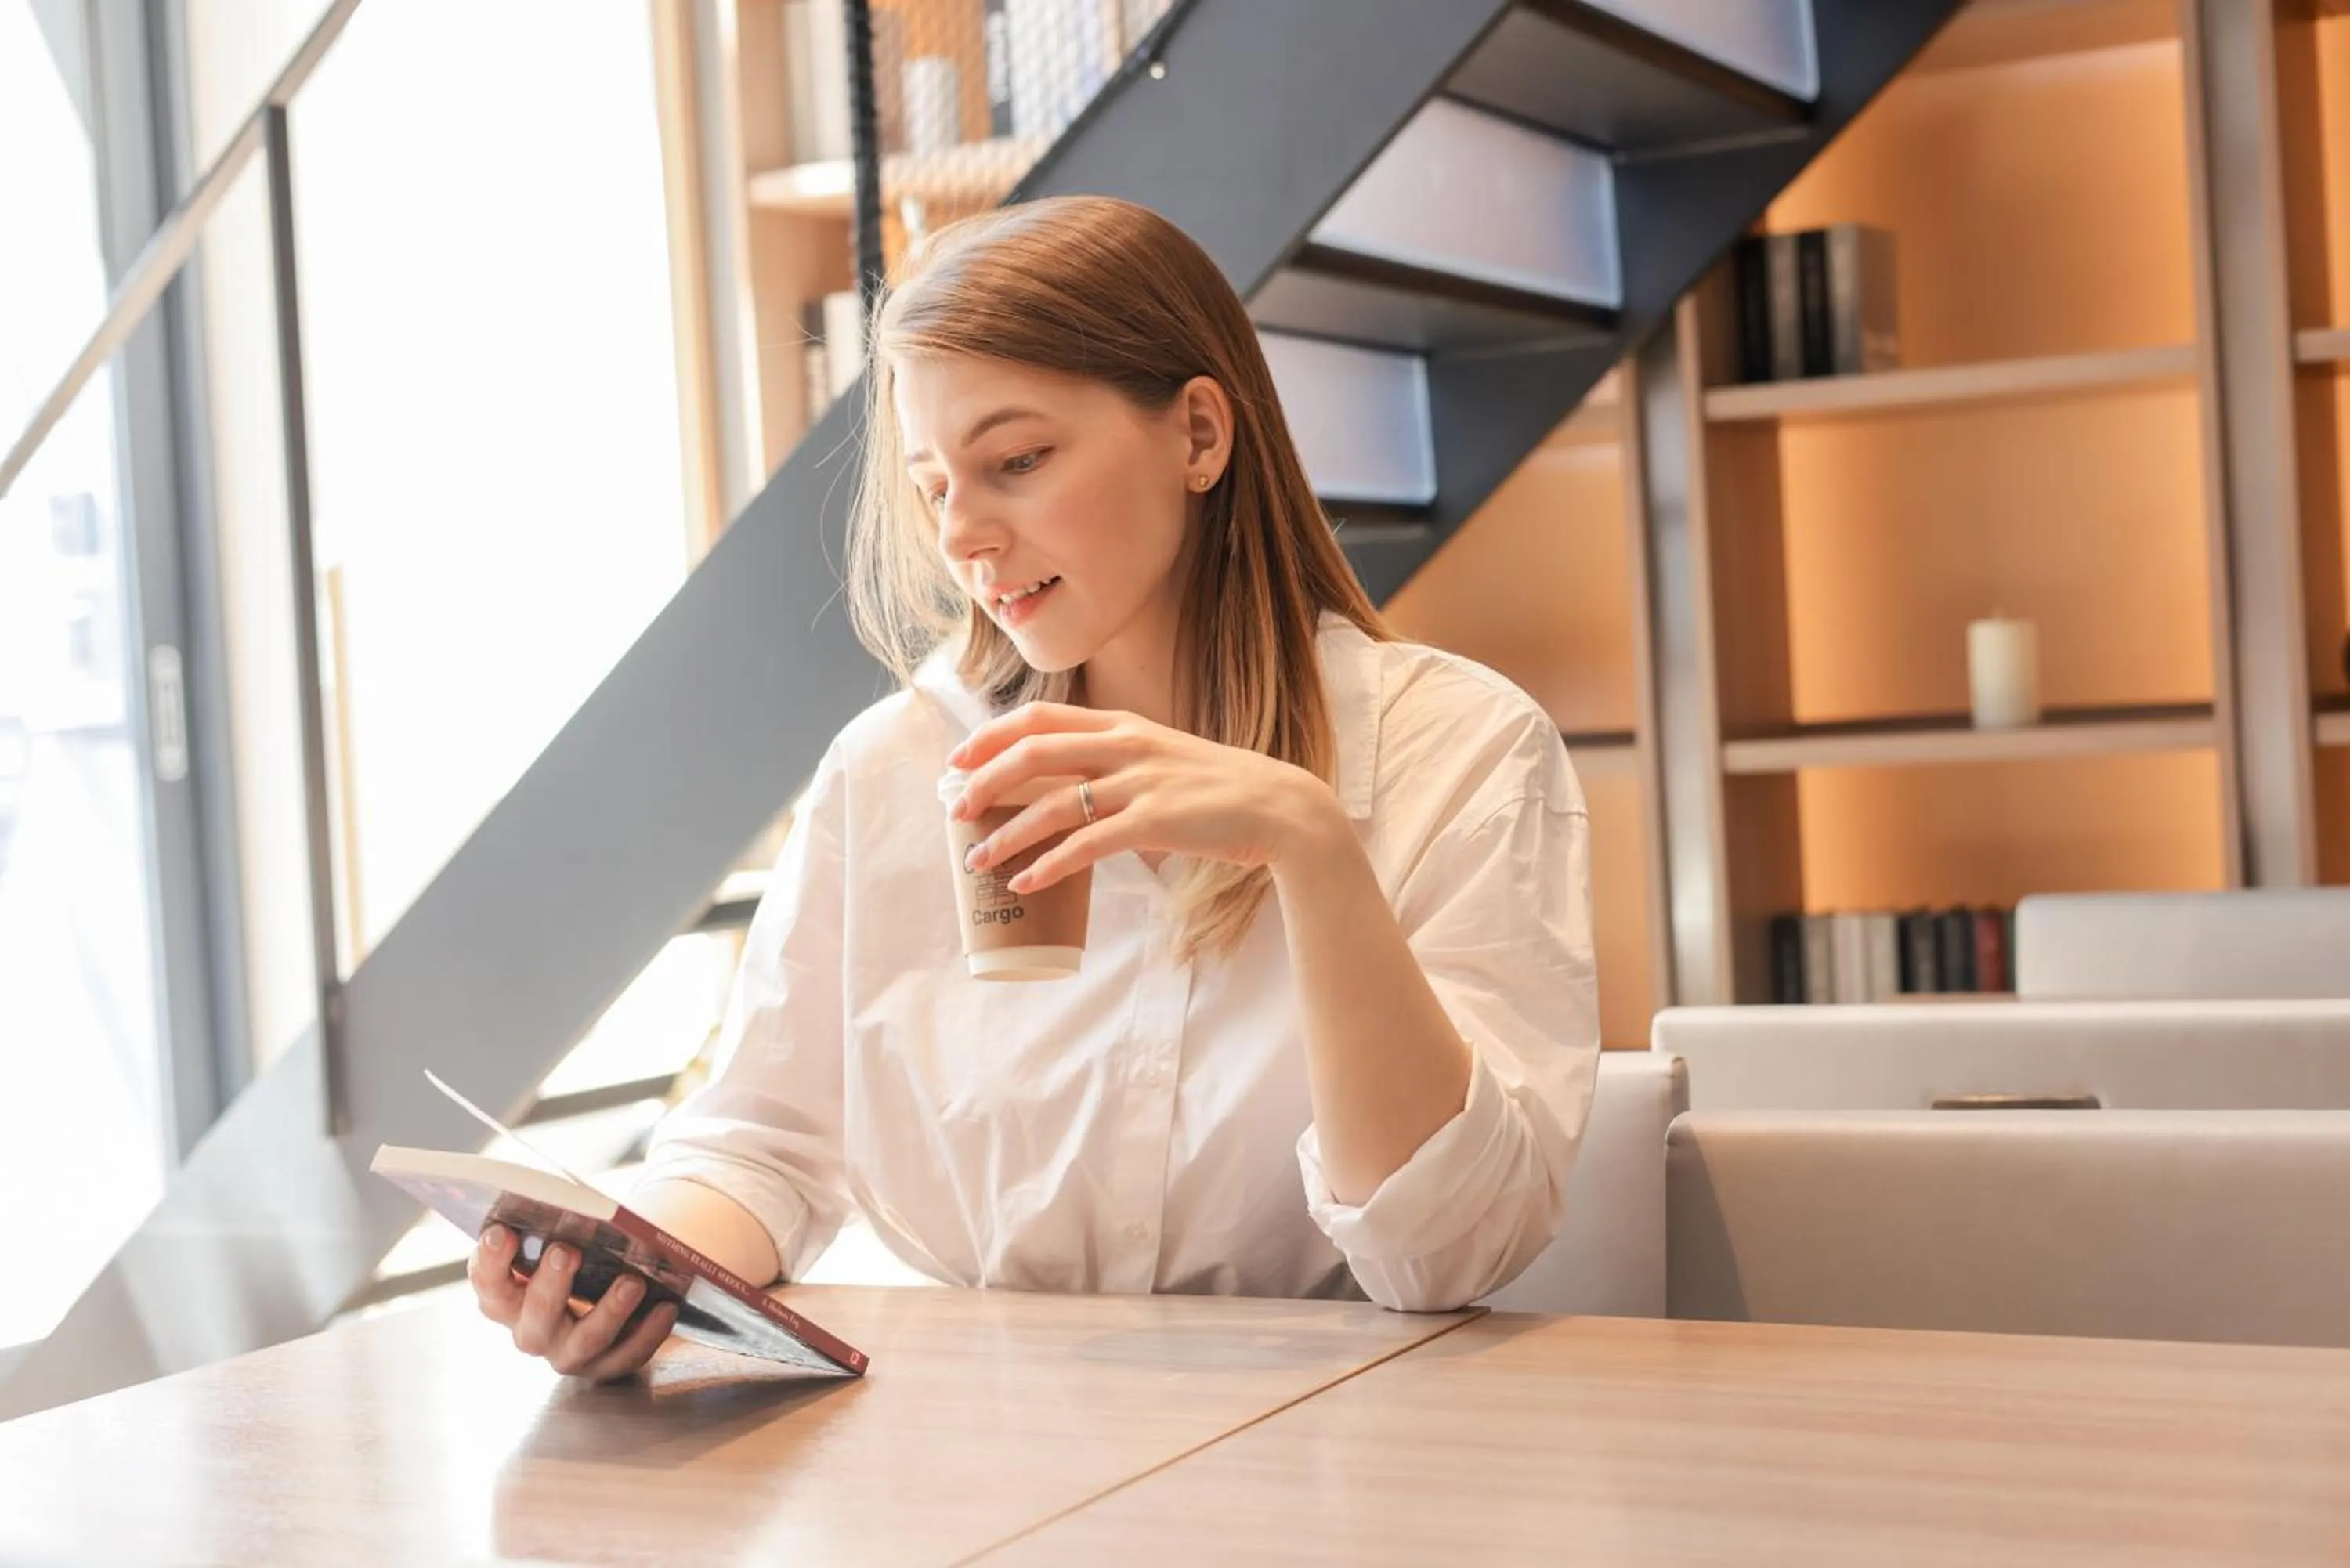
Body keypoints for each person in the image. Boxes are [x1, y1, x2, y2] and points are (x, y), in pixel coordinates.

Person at [468, 194, 1600, 1382]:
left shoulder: (1461, 754)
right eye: (934, 483)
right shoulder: (897, 769)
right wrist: (632, 1285)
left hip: (1340, 1449)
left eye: (1016, 460)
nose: (963, 533)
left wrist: (1311, 848)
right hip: (972, 1447)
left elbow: (1447, 1255)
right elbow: (764, 1144)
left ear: (1201, 435)